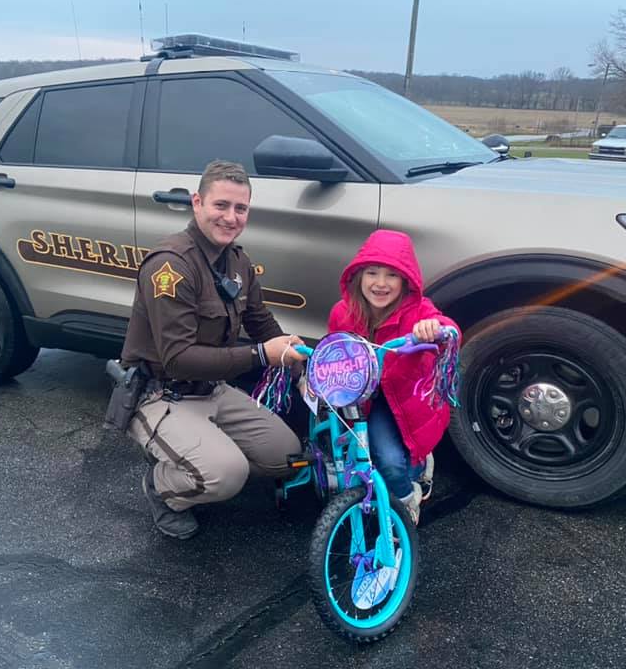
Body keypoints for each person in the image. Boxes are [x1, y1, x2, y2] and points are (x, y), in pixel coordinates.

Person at [120, 160, 307, 540]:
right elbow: (178, 357)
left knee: (288, 457)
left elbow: (260, 321)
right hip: (161, 393)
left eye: (240, 208)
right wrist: (261, 355)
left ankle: (199, 456)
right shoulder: (170, 267)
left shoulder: (237, 261)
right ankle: (162, 487)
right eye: (220, 205)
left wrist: (300, 361)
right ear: (197, 203)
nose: (230, 217)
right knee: (227, 475)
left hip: (214, 389)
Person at [327, 230, 460, 525]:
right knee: (351, 448)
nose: (380, 283)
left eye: (392, 275)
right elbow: (334, 348)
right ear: (358, 276)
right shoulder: (343, 312)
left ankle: (405, 503)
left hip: (403, 395)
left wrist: (434, 328)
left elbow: (449, 328)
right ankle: (411, 471)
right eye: (372, 273)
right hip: (363, 392)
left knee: (391, 462)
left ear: (405, 282)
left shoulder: (418, 311)